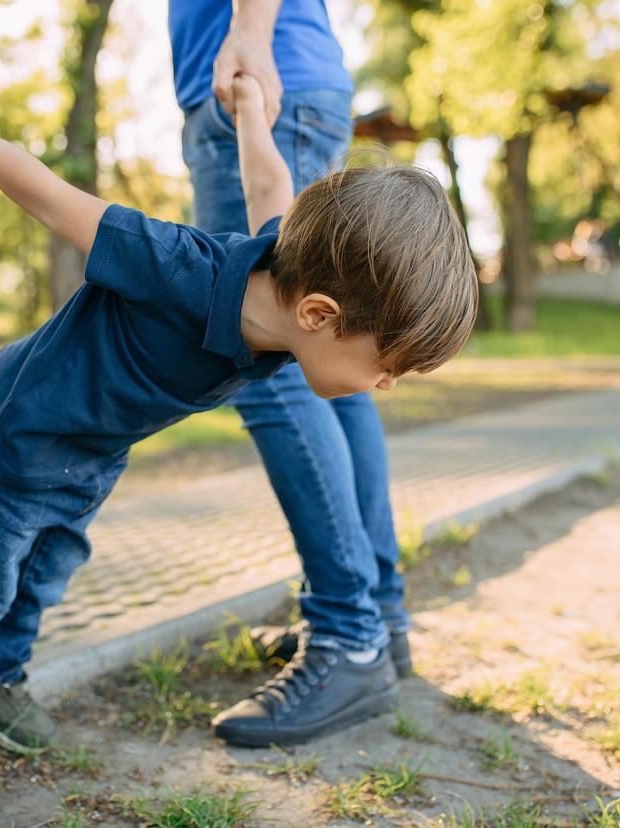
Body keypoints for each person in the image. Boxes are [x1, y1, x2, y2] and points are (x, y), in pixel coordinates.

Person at [0, 4, 477, 768]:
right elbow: (48, 194)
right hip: (26, 426)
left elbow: (269, 178)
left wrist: (247, 109)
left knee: (46, 571)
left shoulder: (285, 268)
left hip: (96, 448)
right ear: (319, 313)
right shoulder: (176, 266)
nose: (386, 383)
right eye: (389, 364)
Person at [169, 0, 414, 745]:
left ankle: (349, 636)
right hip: (290, 80)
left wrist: (248, 33)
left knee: (270, 353)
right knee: (329, 369)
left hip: (263, 73)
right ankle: (375, 619)